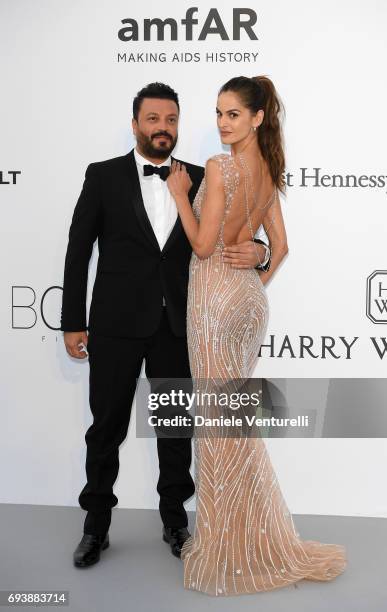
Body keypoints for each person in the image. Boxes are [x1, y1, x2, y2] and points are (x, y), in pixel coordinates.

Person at [60, 82, 271, 567]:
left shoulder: (203, 176)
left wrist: (259, 251)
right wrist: (73, 321)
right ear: (135, 124)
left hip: (177, 324)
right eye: (153, 119)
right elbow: (78, 251)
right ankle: (96, 528)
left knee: (175, 428)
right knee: (106, 428)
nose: (162, 128)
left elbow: (237, 231)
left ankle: (176, 523)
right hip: (113, 325)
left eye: (171, 120)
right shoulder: (103, 176)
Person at [165, 75, 347, 596]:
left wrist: (181, 195)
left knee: (219, 429)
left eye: (233, 115)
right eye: (218, 113)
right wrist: (253, 277)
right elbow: (280, 246)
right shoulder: (268, 170)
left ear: (257, 118)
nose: (222, 123)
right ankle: (242, 537)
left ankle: (227, 548)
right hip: (246, 301)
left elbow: (202, 246)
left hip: (215, 305)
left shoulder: (221, 169)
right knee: (233, 424)